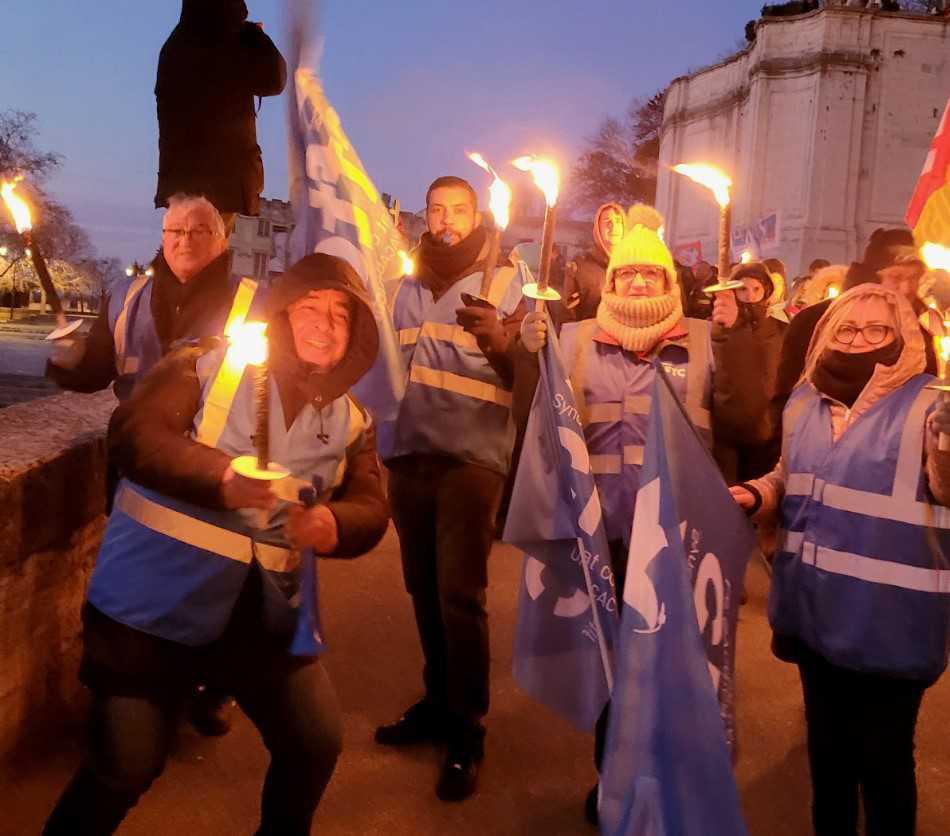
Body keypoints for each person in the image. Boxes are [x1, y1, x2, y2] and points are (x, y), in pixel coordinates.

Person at [43, 253, 389, 836]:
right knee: (123, 767)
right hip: (148, 612)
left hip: (262, 621)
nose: (325, 325)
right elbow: (135, 435)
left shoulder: (353, 419)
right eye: (310, 308)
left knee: (314, 743)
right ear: (281, 315)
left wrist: (338, 524)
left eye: (341, 316)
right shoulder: (204, 364)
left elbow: (372, 504)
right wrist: (222, 479)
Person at [518, 206, 767, 825]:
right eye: (626, 273)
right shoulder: (573, 339)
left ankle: (668, 780)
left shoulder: (707, 339)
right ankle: (614, 784)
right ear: (609, 281)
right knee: (611, 672)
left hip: (679, 542)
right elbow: (544, 433)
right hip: (603, 543)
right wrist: (523, 355)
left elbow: (748, 426)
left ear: (670, 285)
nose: (635, 284)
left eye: (650, 276)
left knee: (673, 670)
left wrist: (738, 343)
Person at [731, 284, 950, 836]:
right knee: (828, 763)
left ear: (903, 337)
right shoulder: (806, 400)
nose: (860, 342)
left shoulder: (934, 404)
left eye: (878, 331)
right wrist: (758, 494)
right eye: (848, 329)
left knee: (884, 767)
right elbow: (793, 474)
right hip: (814, 613)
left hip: (890, 622)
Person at [48, 193, 256, 735]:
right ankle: (131, 693)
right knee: (135, 580)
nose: (185, 241)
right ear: (163, 238)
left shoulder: (253, 302)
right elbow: (95, 370)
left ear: (223, 239)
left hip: (214, 459)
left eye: (199, 231)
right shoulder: (126, 294)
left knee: (214, 579)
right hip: (137, 462)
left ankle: (210, 687)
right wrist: (66, 360)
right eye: (175, 232)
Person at [374, 175, 528, 801]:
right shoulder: (403, 286)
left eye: (457, 210)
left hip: (472, 459)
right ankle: (437, 702)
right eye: (436, 209)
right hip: (409, 457)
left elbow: (536, 378)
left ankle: (468, 728)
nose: (445, 220)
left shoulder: (511, 283)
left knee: (460, 594)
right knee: (421, 587)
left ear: (476, 215)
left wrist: (505, 345)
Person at [154, 0, 287, 226]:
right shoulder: (232, 39)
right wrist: (255, 36)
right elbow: (274, 79)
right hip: (224, 183)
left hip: (181, 180)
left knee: (184, 249)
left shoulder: (176, 43)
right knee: (206, 253)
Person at [562, 203, 625, 321]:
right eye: (607, 222)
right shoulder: (581, 265)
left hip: (625, 336)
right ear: (597, 228)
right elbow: (568, 310)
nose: (614, 227)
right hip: (591, 336)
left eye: (618, 221)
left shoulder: (631, 265)